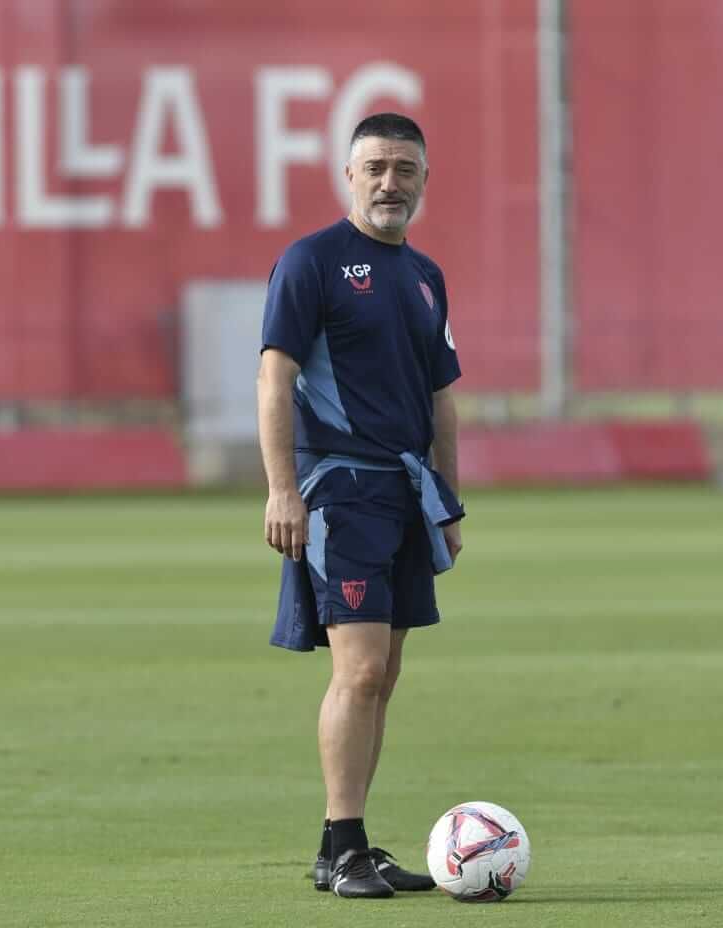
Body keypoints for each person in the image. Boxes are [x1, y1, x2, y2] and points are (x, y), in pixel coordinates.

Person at [256, 112, 464, 899]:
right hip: (340, 490)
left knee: (387, 673)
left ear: (422, 180)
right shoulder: (311, 262)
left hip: (406, 494)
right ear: (349, 175)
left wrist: (446, 500)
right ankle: (345, 847)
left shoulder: (425, 276)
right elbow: (274, 379)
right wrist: (282, 488)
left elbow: (443, 399)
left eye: (404, 169)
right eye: (375, 167)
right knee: (362, 666)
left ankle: (344, 844)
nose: (389, 182)